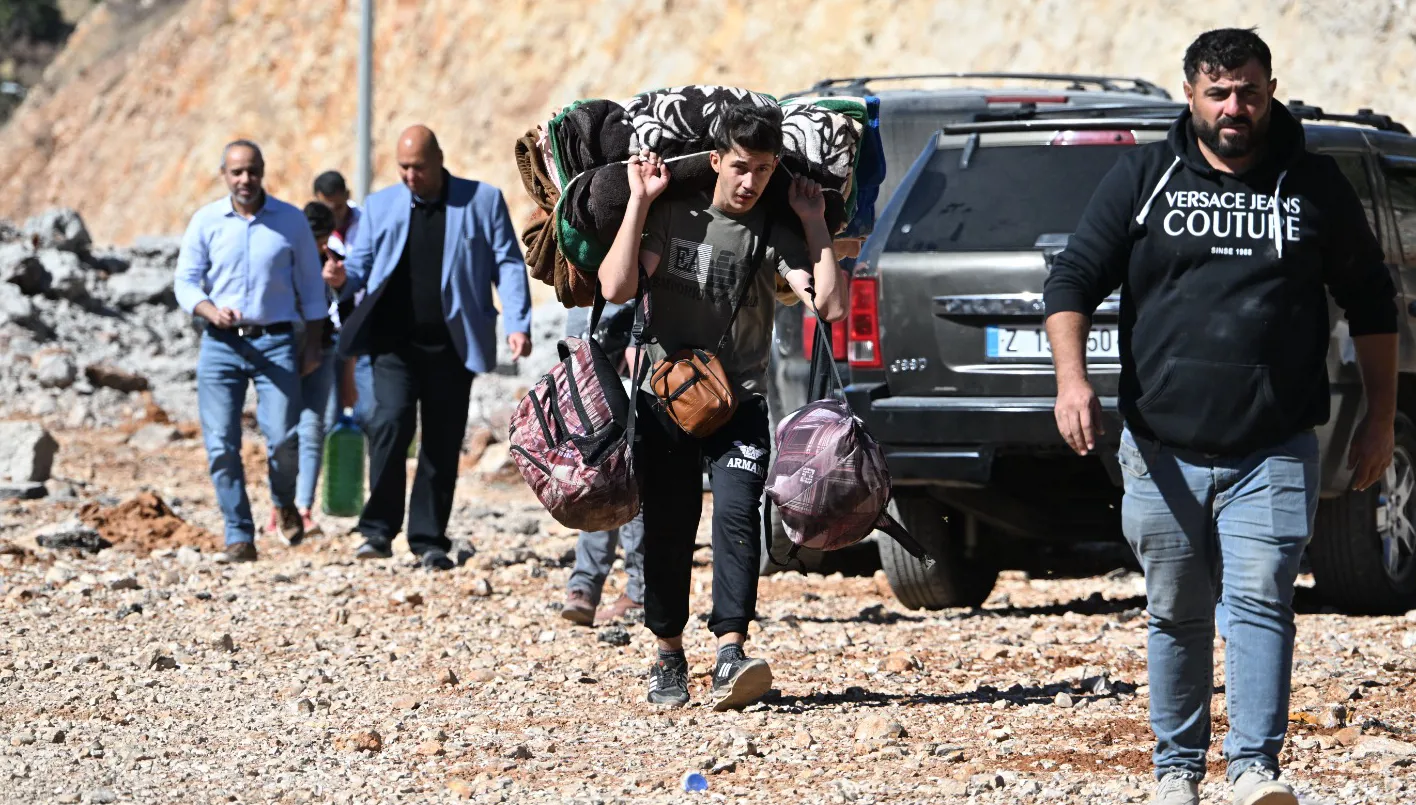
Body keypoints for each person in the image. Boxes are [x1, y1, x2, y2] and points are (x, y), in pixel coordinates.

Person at [1042, 28, 1397, 805]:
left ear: (1270, 90)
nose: (1235, 107)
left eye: (1249, 90)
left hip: (1273, 443)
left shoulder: (1314, 186)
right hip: (1160, 442)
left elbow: (1373, 300)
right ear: (1190, 94)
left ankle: (1253, 767)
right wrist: (1072, 382)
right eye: (1218, 91)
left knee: (1263, 595)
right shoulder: (1145, 177)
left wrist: (1380, 417)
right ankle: (1176, 769)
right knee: (1175, 606)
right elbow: (1072, 279)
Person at [598, 103, 847, 710]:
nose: (750, 182)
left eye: (763, 169)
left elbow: (831, 307)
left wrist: (814, 225)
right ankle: (668, 656)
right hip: (666, 401)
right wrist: (638, 202)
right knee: (669, 527)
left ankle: (731, 651)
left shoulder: (772, 226)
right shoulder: (674, 213)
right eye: (740, 166)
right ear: (715, 160)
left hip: (741, 402)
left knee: (737, 520)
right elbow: (616, 287)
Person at [325, 125, 533, 571]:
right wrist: (342, 280)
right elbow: (360, 266)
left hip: (452, 345)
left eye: (418, 166)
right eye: (403, 167)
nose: (410, 175)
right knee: (389, 423)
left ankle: (428, 539)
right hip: (393, 343)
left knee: (440, 441)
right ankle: (377, 530)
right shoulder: (381, 206)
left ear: (439, 159)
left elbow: (508, 263)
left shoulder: (481, 200)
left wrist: (517, 323)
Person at [174, 139, 329, 563]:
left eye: (252, 171)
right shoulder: (206, 221)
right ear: (224, 174)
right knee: (222, 444)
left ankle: (283, 502)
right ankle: (238, 534)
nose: (245, 179)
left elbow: (312, 290)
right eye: (237, 172)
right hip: (221, 344)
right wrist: (209, 310)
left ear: (263, 172)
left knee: (282, 439)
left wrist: (313, 345)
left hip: (276, 341)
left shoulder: (290, 222)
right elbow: (185, 282)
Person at [560, 300, 646, 626]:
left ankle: (636, 590)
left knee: (625, 481)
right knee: (598, 477)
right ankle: (586, 584)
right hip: (591, 354)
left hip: (627, 363)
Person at [313, 170, 374, 429]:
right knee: (327, 413)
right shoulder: (313, 231)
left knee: (368, 407)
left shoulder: (368, 223)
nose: (334, 216)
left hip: (362, 325)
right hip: (327, 330)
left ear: (347, 197)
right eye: (327, 208)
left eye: (338, 207)